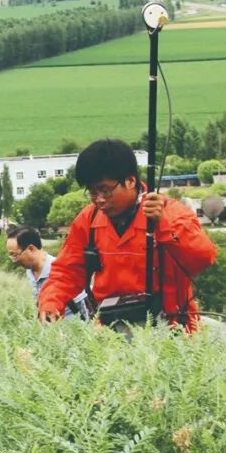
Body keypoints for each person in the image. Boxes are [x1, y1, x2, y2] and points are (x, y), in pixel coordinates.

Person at [38, 139, 216, 331]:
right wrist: (50, 302)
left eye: (105, 190)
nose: (99, 199)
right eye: (92, 192)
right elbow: (67, 272)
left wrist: (162, 224)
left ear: (130, 181)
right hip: (110, 333)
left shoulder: (170, 213)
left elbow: (203, 258)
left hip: (173, 332)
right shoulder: (88, 220)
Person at [5, 226, 55, 303]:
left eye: (15, 255)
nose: (14, 261)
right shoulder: (29, 270)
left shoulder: (60, 269)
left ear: (31, 249)